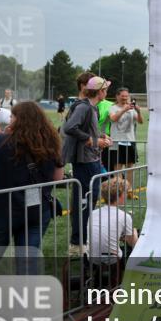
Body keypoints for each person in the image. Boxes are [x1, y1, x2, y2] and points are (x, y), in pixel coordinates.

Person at [0, 102, 64, 269]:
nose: (9, 120)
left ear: (18, 120)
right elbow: (58, 178)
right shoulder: (51, 143)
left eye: (12, 117)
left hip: (0, 209)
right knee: (28, 262)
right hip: (36, 209)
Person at [62, 76, 112, 255]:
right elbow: (69, 127)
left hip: (92, 160)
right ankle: (77, 244)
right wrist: (91, 140)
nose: (107, 92)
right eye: (105, 89)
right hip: (85, 161)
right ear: (99, 92)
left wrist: (101, 137)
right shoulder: (83, 107)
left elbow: (89, 129)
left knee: (88, 201)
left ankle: (82, 241)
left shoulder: (92, 108)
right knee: (84, 202)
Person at [88, 176, 138, 266]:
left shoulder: (93, 213)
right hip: (112, 260)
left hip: (91, 257)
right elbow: (132, 242)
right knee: (133, 245)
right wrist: (135, 233)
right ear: (121, 196)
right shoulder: (124, 216)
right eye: (125, 193)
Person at [108, 88, 143, 170]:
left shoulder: (132, 108)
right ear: (117, 96)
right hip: (115, 141)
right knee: (117, 167)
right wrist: (124, 109)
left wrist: (138, 111)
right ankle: (118, 183)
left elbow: (140, 121)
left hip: (130, 140)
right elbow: (113, 119)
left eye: (126, 96)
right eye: (122, 96)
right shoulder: (112, 108)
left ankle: (129, 183)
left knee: (130, 168)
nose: (125, 98)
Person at [96, 83, 116, 170]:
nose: (105, 92)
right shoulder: (87, 104)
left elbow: (114, 119)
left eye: (105, 90)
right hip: (91, 140)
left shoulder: (110, 104)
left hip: (105, 139)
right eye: (104, 89)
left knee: (107, 165)